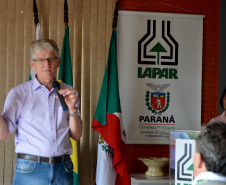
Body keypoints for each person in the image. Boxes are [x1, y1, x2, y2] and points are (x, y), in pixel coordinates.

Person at [0, 39, 83, 185]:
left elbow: (76, 135)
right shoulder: (19, 93)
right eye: (40, 60)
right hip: (30, 169)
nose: (47, 64)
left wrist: (72, 109)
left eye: (51, 59)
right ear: (32, 64)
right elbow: (2, 134)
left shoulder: (69, 92)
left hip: (63, 168)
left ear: (58, 62)